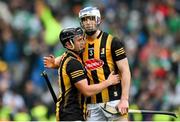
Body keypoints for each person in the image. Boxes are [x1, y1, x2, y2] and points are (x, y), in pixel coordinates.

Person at [44, 7, 131, 121]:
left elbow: (125, 71)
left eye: (91, 19)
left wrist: (124, 99)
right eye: (85, 20)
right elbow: (66, 57)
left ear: (98, 20)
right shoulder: (80, 42)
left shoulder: (112, 42)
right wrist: (54, 63)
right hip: (91, 106)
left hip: (113, 101)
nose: (88, 23)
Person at [50, 27, 120, 121]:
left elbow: (57, 62)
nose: (83, 42)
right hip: (71, 115)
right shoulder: (73, 63)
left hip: (71, 114)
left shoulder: (69, 57)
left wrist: (54, 63)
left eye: (83, 38)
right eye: (79, 40)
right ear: (68, 44)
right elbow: (86, 91)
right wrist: (108, 82)